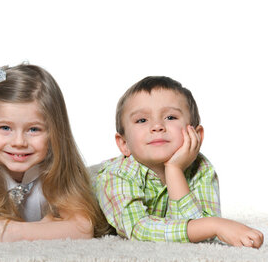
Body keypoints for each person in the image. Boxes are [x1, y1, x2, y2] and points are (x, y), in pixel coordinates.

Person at [94, 76, 264, 248]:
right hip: (75, 186)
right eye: (142, 120)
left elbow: (201, 236)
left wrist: (174, 170)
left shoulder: (201, 168)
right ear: (124, 144)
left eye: (170, 117)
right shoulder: (116, 174)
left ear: (196, 134)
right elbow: (139, 229)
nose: (157, 126)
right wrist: (214, 225)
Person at [0, 64, 110, 241]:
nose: (19, 142)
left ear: (54, 132)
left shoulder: (56, 169)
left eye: (33, 129)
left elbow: (83, 228)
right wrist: (46, 226)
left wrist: (14, 232)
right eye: (5, 128)